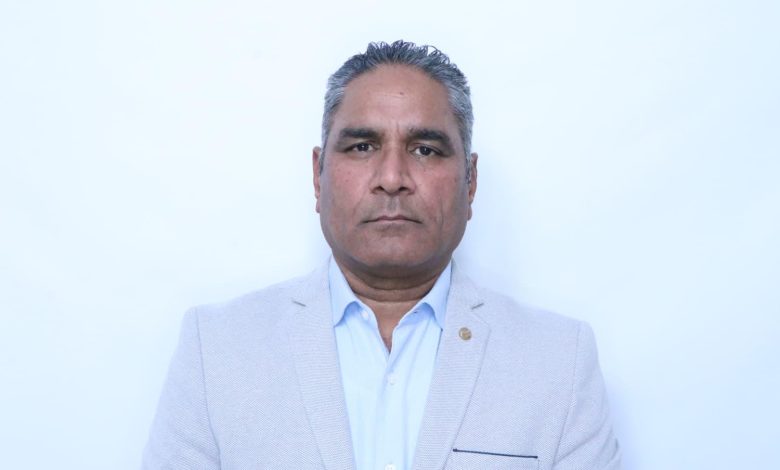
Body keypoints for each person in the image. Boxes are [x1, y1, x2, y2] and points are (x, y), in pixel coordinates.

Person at [143, 40, 621, 470]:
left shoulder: (558, 363)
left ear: (471, 182)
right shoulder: (217, 352)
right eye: (362, 146)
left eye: (425, 150)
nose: (392, 178)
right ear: (318, 176)